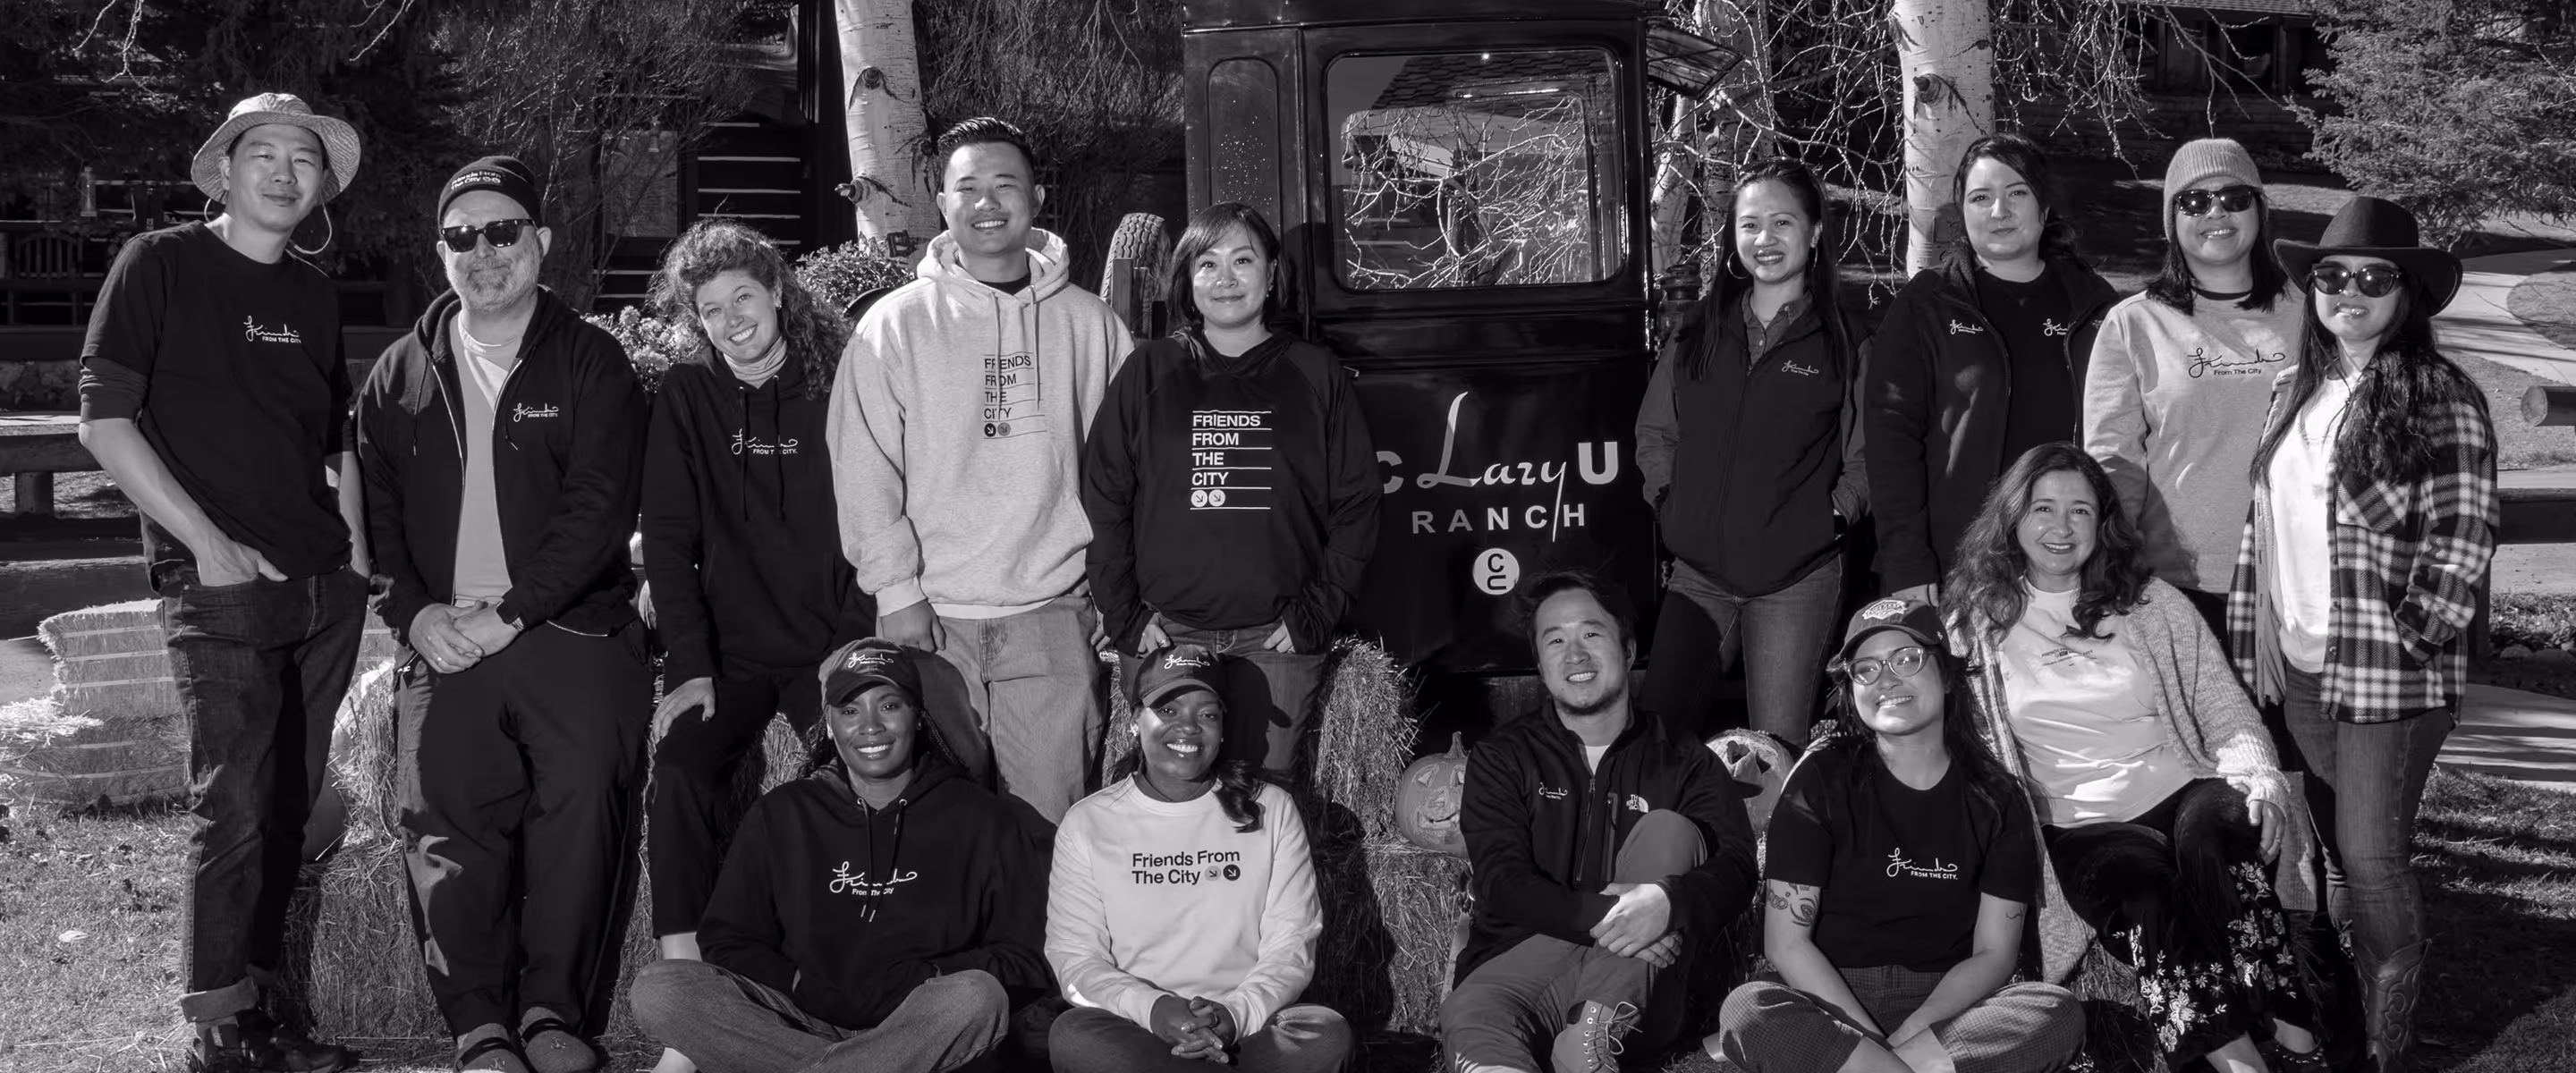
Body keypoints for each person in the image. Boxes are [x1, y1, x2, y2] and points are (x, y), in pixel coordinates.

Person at [77, 91, 368, 1073]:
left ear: (322, 186)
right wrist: (207, 546)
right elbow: (103, 421)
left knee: (290, 809)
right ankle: (218, 1029)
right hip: (220, 585)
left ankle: (270, 1012)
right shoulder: (158, 265)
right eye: (266, 154)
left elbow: (333, 445)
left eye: (305, 160)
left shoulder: (316, 295)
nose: (286, 173)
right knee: (232, 808)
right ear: (227, 169)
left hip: (323, 586)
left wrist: (357, 556)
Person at [358, 156, 652, 1073]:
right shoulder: (398, 373)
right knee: (445, 831)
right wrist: (412, 618)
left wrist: (513, 614)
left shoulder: (593, 361)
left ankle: (552, 1016)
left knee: (581, 822)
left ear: (541, 242)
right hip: (445, 642)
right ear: (439, 251)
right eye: (461, 236)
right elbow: (376, 524)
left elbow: (598, 510)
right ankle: (479, 1024)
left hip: (568, 631)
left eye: (503, 232)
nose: (484, 253)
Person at [1950, 444, 2327, 1072]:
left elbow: (2226, 711)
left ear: (2104, 524)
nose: (2061, 527)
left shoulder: (2151, 605)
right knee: (2148, 902)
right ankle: (2244, 1067)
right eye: (2043, 508)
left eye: (2080, 510)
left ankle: (2299, 1039)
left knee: (2220, 844)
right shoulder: (1977, 625)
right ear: (2012, 519)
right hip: (2079, 821)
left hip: (2182, 786)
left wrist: (2260, 777)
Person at [2231, 196, 2496, 1073]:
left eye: (2372, 278)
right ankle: (2340, 1025)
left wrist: (2412, 636)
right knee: (2332, 865)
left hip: (2390, 680)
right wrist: (2253, 643)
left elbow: (2464, 535)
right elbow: (2261, 530)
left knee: (2371, 860)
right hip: (2300, 667)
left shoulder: (2438, 397)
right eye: (2331, 276)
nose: (2348, 291)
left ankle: (2387, 1047)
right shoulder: (2290, 392)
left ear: (2405, 294)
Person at [827, 116, 1132, 823]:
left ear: (1038, 197)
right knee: (935, 831)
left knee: (1045, 829)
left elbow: (1125, 475)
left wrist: (1115, 593)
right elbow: (863, 465)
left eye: (1005, 185)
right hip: (934, 623)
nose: (987, 202)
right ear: (942, 204)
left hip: (1053, 619)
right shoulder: (894, 326)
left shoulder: (1093, 327)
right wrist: (896, 590)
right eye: (968, 187)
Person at [637, 219, 882, 1073]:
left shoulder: (841, 377)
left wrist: (849, 650)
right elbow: (668, 541)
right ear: (695, 321)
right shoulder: (686, 397)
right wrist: (691, 665)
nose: (732, 318)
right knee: (678, 771)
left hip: (829, 644)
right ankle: (688, 1010)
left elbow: (878, 512)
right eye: (711, 309)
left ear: (777, 292)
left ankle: (828, 996)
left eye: (745, 296)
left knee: (849, 790)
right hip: (731, 654)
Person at [631, 638, 1054, 1073]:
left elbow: (1027, 957)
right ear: (830, 725)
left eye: (889, 706)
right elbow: (728, 941)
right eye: (850, 711)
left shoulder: (982, 818)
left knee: (976, 998)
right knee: (660, 989)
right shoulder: (784, 812)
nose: (870, 726)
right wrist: (798, 984)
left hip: (922, 1025)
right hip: (801, 1018)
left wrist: (925, 977)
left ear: (918, 717)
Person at [1714, 596, 2083, 1073]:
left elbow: (1994, 954)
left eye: (1907, 659)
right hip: (1828, 997)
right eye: (1865, 669)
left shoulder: (1997, 796)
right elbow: (1787, 944)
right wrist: (1867, 1040)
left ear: (1947, 675)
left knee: (2056, 1012)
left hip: (1945, 1006)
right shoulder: (1821, 777)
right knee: (1749, 1010)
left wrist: (1902, 1041)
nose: (1886, 679)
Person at [1081, 201, 1379, 780]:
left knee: (1260, 807)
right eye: (1207, 263)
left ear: (1271, 275)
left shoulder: (1316, 373)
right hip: (1165, 633)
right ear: (1187, 281)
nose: (1225, 278)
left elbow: (1358, 504)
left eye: (1243, 260)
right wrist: (1125, 617)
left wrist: (1314, 615)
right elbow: (1103, 498)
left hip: (1275, 641)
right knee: (1169, 803)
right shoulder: (1147, 371)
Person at [1440, 571, 1760, 1073]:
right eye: (1556, 640)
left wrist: (1668, 903)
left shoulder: (1683, 758)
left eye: (1591, 634)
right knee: (1477, 1017)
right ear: (1540, 666)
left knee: (1669, 831)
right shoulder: (1503, 757)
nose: (1575, 655)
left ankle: (1589, 1038)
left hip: (1638, 989)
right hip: (1519, 960)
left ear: (1629, 651)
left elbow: (1740, 867)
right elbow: (1502, 882)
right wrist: (1619, 917)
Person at [1636, 158, 1869, 746]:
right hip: (1699, 577)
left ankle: (1770, 844)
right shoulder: (1697, 330)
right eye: (1750, 225)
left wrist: (1832, 515)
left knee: (1775, 756)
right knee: (1656, 741)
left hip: (1795, 582)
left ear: (1814, 233)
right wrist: (1669, 505)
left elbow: (1870, 457)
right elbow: (1656, 433)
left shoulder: (1847, 339)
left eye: (1782, 223)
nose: (1765, 240)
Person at [1044, 643, 1351, 1072]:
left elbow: (1292, 941)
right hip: (1140, 1030)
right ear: (1135, 722)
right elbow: (1075, 958)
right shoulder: (1088, 822)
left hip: (1246, 1031)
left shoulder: (1272, 808)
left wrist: (1233, 1016)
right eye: (1167, 711)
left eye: (1206, 714)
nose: (1187, 727)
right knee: (1074, 1036)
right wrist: (1154, 1009)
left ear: (1223, 729)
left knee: (1324, 1032)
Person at [1867, 133, 2120, 604]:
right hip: (1952, 565)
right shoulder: (1928, 305)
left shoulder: (2097, 307)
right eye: (1981, 198)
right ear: (1962, 213)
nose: (1999, 210)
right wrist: (1906, 560)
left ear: (2044, 208)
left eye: (2017, 193)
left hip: (2068, 563)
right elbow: (1889, 444)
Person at [2083, 139, 2303, 639]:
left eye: (2235, 197)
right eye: (2194, 201)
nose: (2216, 212)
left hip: (2297, 580)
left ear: (2260, 209)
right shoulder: (2134, 322)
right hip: (2177, 583)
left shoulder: (2311, 311)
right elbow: (2111, 459)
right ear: (2173, 220)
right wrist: (2114, 566)